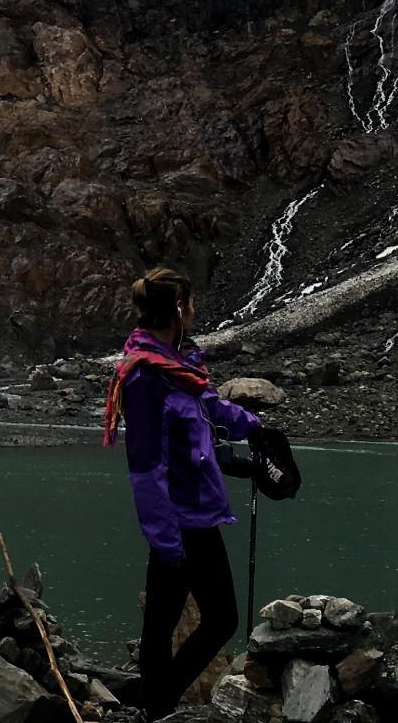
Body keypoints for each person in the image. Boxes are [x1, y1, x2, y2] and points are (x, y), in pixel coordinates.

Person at [103, 267, 261, 719]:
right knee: (212, 620)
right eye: (190, 304)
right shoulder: (145, 377)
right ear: (178, 309)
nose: (195, 312)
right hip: (179, 523)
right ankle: (159, 702)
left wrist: (256, 426)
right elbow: (146, 468)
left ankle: (156, 702)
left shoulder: (177, 363)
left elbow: (209, 404)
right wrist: (166, 540)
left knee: (165, 627)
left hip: (198, 516)